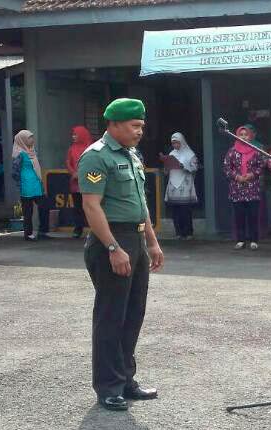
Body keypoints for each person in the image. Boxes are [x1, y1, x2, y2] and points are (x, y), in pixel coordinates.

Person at [78, 98, 165, 412]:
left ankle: (126, 380)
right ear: (113, 124)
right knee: (111, 316)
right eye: (134, 125)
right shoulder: (96, 157)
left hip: (137, 238)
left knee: (133, 314)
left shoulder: (132, 156)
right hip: (111, 240)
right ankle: (108, 386)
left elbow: (140, 206)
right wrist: (114, 248)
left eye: (141, 125)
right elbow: (92, 206)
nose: (140, 131)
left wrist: (152, 243)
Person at [224, 126, 264, 250]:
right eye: (241, 134)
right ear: (237, 135)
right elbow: (226, 168)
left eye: (246, 134)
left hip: (252, 188)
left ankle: (254, 240)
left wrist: (251, 175)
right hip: (237, 189)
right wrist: (237, 177)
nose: (243, 137)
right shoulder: (231, 151)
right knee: (239, 216)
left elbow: (261, 166)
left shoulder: (256, 151)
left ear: (250, 136)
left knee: (253, 215)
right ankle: (241, 240)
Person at [12, 130, 49, 241]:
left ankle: (42, 231)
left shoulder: (33, 151)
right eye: (29, 138)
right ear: (22, 140)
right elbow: (14, 172)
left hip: (37, 183)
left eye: (32, 137)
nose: (32, 139)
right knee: (28, 211)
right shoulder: (19, 154)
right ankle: (28, 234)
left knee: (44, 206)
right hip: (26, 185)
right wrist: (20, 182)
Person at [161, 132, 199, 240]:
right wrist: (166, 166)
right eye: (173, 143)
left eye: (177, 143)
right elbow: (166, 170)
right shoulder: (172, 154)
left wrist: (183, 166)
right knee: (175, 210)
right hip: (173, 185)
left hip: (185, 185)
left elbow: (195, 167)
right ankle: (178, 232)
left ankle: (188, 232)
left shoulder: (189, 154)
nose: (175, 145)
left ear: (181, 142)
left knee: (185, 210)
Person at [66, 126, 92, 238]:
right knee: (78, 207)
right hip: (75, 184)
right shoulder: (71, 148)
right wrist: (73, 173)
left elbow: (92, 163)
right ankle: (78, 229)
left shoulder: (90, 148)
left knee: (90, 207)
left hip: (88, 183)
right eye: (73, 135)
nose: (73, 137)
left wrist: (81, 174)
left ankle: (94, 229)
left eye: (75, 134)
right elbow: (68, 162)